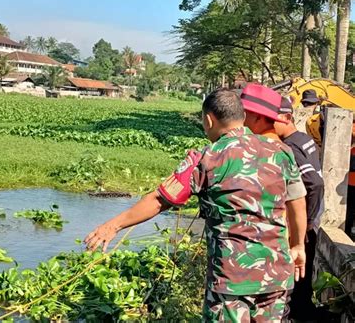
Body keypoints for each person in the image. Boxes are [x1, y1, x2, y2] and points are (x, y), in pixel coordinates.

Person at [85, 89, 307, 322]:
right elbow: (297, 200)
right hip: (277, 275)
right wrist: (298, 245)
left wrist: (113, 225)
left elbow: (159, 200)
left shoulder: (206, 158)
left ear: (209, 119)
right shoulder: (281, 152)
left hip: (232, 281)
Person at [275, 97, 325, 321]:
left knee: (294, 283)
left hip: (301, 226)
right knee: (303, 286)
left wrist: (305, 222)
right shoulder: (305, 138)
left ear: (287, 118)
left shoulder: (290, 147)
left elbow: (314, 183)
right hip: (310, 223)